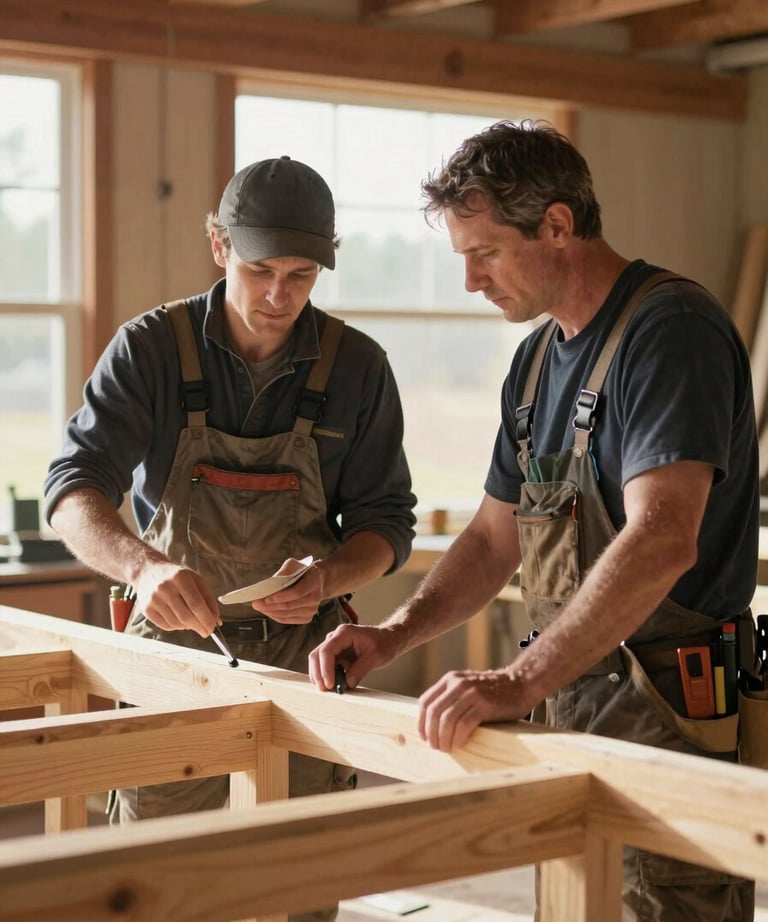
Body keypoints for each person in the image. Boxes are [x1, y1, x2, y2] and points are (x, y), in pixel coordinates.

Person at [308, 121, 759, 922]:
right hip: (572, 695)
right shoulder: (538, 359)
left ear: (557, 225)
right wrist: (392, 636)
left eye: (485, 253)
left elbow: (662, 539)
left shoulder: (670, 334)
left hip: (670, 704)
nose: (473, 282)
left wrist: (519, 679)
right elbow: (491, 539)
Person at [44, 155, 416, 922]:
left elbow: (387, 523)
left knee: (302, 877)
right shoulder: (150, 348)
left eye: (303, 275)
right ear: (218, 246)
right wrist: (145, 569)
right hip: (172, 659)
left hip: (304, 660)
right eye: (260, 270)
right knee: (155, 881)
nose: (279, 296)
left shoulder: (360, 369)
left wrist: (332, 578)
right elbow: (70, 491)